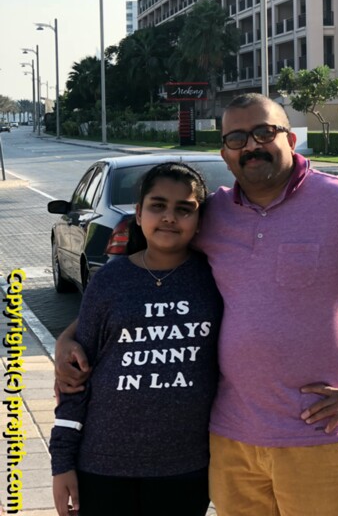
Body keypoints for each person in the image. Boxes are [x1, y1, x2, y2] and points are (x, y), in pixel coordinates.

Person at [57, 94, 338, 516]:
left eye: (264, 132)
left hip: (315, 436)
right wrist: (70, 337)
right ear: (225, 154)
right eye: (236, 138)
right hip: (230, 440)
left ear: (290, 139)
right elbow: (138, 289)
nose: (251, 146)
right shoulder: (213, 214)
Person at [50, 162, 222, 516]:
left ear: (199, 219)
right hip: (102, 464)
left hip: (186, 467)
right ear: (139, 213)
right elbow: (74, 380)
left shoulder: (217, 280)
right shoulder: (110, 282)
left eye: (184, 209)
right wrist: (61, 461)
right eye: (158, 205)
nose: (169, 217)